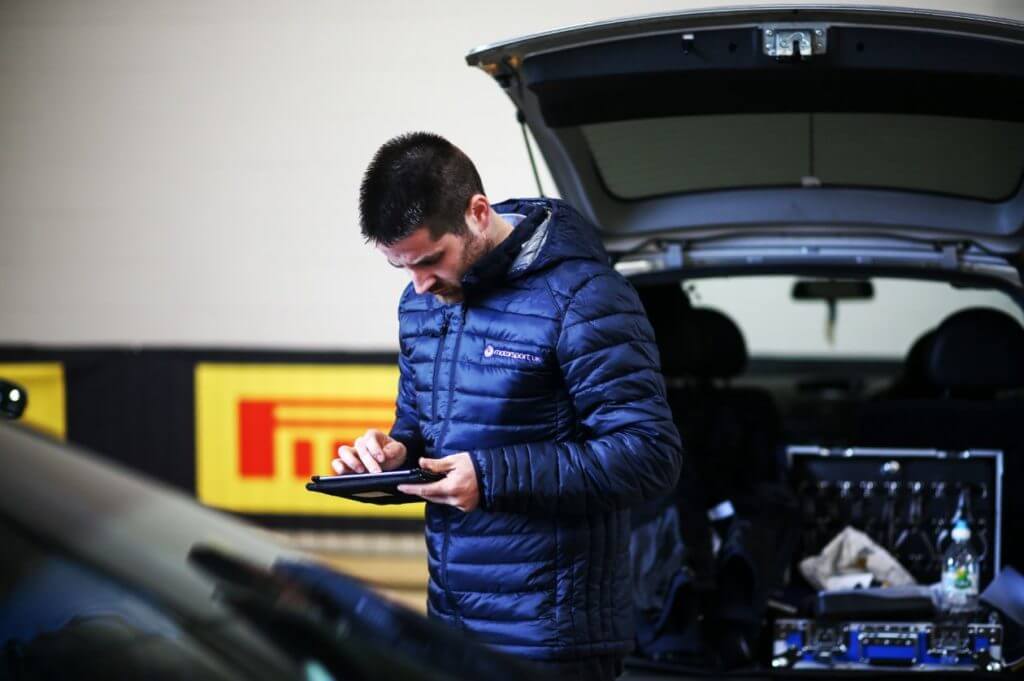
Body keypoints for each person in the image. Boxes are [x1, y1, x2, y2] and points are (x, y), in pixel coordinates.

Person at [332, 132, 682, 680]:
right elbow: (423, 430)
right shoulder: (422, 305)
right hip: (452, 627)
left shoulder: (584, 296)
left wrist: (492, 476)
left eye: (430, 260)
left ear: (477, 213)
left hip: (553, 641)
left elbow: (649, 454)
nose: (419, 286)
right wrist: (393, 456)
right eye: (403, 269)